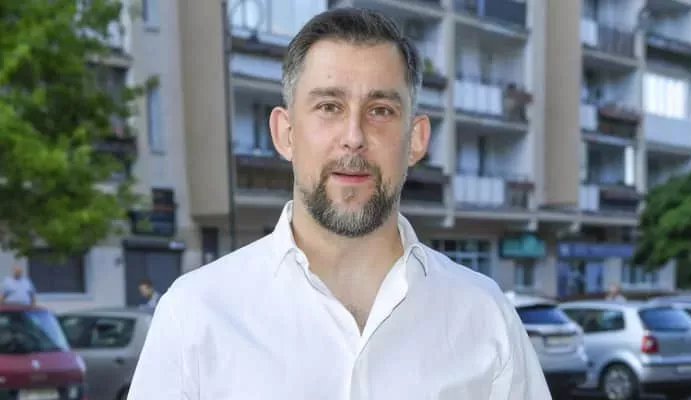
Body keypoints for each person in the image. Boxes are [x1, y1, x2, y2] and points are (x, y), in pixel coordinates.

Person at [127, 7, 550, 400]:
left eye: (380, 110)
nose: (354, 136)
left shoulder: (485, 315)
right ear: (285, 133)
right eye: (329, 107)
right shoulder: (195, 315)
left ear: (416, 139)